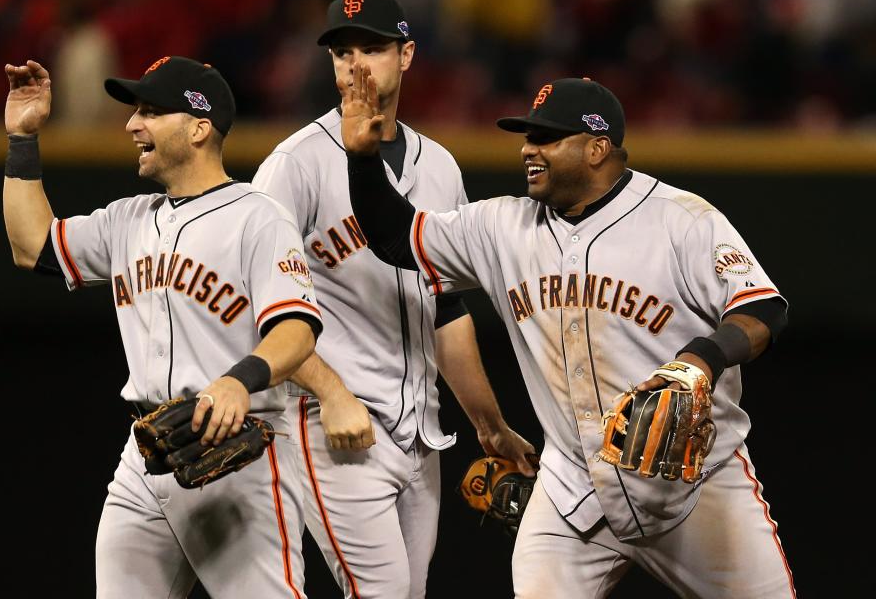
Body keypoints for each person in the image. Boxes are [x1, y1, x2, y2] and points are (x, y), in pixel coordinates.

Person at [340, 67, 797, 598]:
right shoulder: (501, 226)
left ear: (598, 148)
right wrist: (363, 159)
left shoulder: (682, 220)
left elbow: (763, 309)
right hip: (572, 488)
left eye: (547, 137)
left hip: (697, 483)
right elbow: (399, 239)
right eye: (527, 136)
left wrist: (703, 357)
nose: (528, 149)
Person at [1, 56, 364, 598]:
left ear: (198, 127)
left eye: (150, 111)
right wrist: (22, 140)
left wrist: (238, 380)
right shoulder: (127, 219)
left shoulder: (257, 216)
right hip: (144, 456)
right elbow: (31, 245)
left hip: (238, 455)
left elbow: (296, 330)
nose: (131, 124)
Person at [251, 0, 537, 599]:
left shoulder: (439, 167)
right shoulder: (293, 165)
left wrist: (488, 423)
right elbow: (260, 307)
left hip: (420, 432)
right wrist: (329, 394)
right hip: (335, 426)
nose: (355, 65)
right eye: (342, 51)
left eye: (373, 49)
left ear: (406, 55)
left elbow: (448, 307)